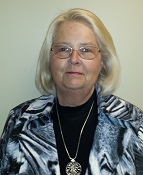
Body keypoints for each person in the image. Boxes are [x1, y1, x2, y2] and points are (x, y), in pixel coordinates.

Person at [0, 8, 143, 175]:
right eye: (63, 49)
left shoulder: (134, 122)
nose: (74, 59)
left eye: (86, 50)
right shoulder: (19, 120)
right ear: (50, 59)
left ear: (102, 61)